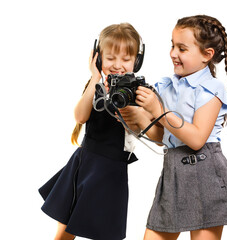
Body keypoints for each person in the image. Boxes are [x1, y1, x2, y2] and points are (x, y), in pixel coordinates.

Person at [125, 15, 227, 240]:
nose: (173, 53)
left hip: (205, 174)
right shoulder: (166, 86)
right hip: (173, 173)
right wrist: (139, 118)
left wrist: (158, 111)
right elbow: (163, 136)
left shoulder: (211, 88)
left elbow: (197, 138)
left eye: (182, 48)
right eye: (172, 45)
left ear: (207, 55)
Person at [38, 23, 144, 240]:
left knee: (106, 232)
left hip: (112, 171)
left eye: (126, 59)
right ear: (98, 58)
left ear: (137, 61)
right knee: (65, 232)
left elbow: (138, 128)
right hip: (85, 165)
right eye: (111, 58)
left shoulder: (139, 92)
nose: (118, 65)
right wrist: (95, 78)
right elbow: (80, 116)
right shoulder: (95, 86)